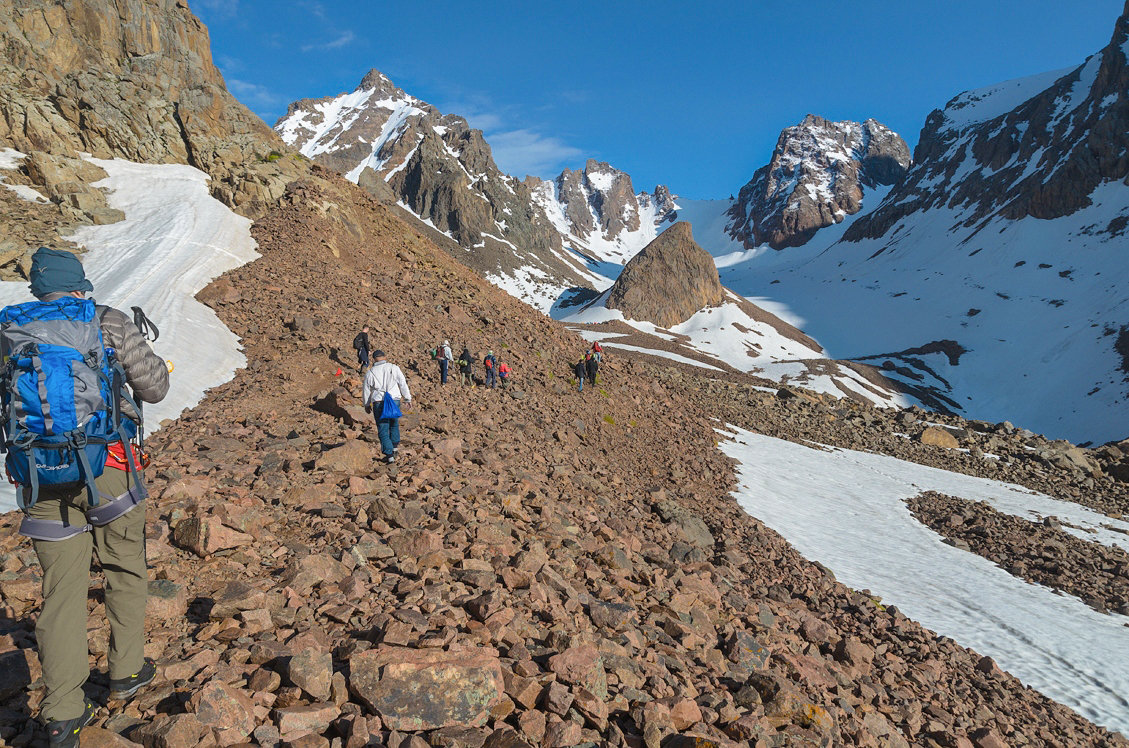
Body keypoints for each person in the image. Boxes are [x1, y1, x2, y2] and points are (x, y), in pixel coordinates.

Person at [5, 248, 169, 747]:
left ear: (38, 288)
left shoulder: (10, 330)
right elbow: (155, 387)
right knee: (123, 566)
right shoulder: (108, 322)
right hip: (110, 469)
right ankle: (126, 671)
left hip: (40, 477)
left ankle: (60, 714)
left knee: (61, 592)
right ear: (81, 283)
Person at [363, 349, 412, 463]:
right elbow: (402, 383)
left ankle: (389, 456)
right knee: (394, 424)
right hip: (394, 399)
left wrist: (366, 403)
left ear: (374, 359)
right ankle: (394, 448)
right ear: (385, 357)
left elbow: (366, 390)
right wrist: (407, 398)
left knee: (383, 428)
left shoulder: (370, 372)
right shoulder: (394, 368)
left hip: (378, 401)